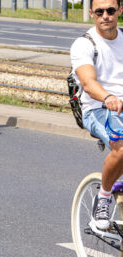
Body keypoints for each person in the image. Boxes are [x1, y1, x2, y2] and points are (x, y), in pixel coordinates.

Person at [70, 0, 123, 230]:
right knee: (121, 146)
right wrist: (108, 97)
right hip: (98, 108)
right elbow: (88, 82)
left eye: (110, 10)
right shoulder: (84, 44)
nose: (105, 16)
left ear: (120, 11)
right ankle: (103, 196)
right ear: (91, 13)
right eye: (99, 11)